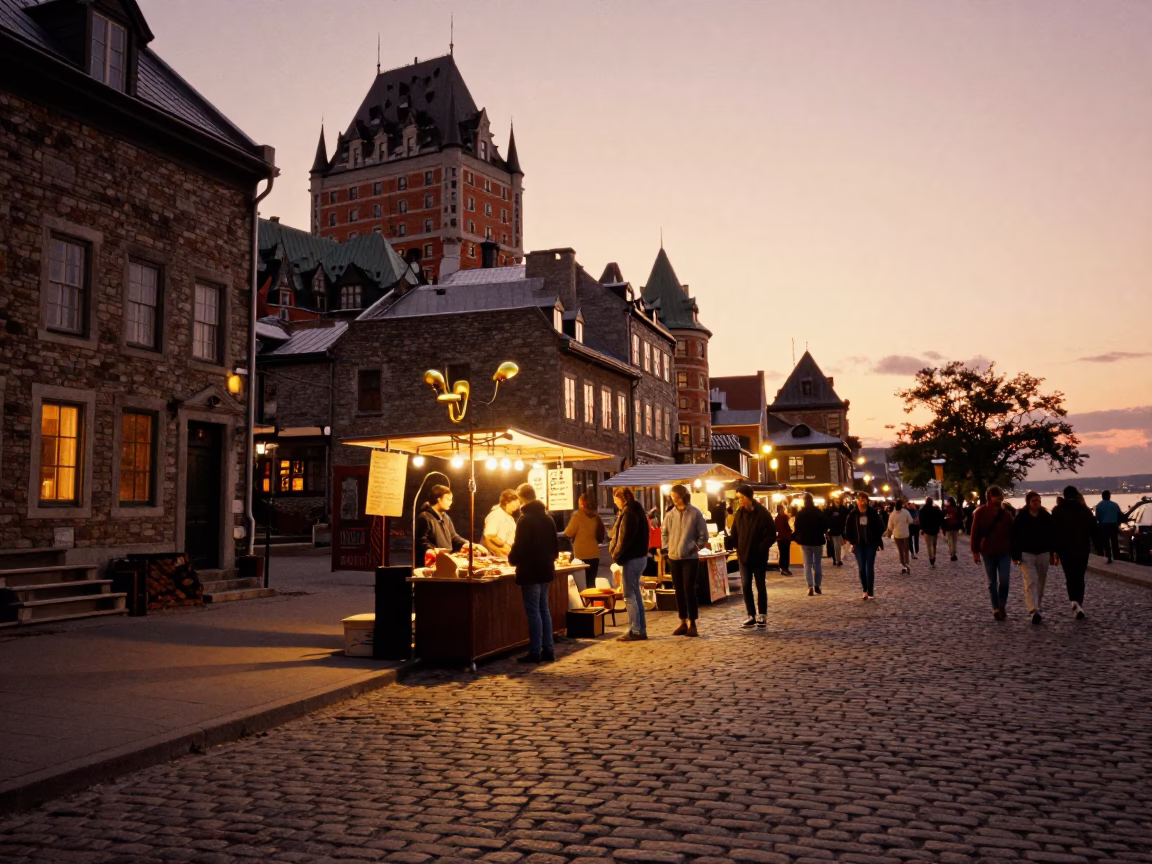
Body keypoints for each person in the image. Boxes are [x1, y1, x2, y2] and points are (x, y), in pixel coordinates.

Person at [507, 484, 558, 664]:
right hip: (545, 569)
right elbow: (555, 547)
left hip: (530, 571)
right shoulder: (548, 518)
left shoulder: (525, 519)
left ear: (521, 498)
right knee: (544, 609)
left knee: (534, 612)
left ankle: (535, 651)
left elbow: (519, 547)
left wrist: (512, 559)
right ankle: (548, 649)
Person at [661, 484, 709, 637]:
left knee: (689, 589)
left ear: (682, 495)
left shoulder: (695, 513)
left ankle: (693, 623)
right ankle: (683, 621)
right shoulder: (670, 514)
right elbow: (665, 533)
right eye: (672, 495)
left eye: (675, 495)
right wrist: (667, 548)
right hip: (674, 558)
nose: (673, 498)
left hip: (690, 558)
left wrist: (695, 547)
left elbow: (703, 534)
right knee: (679, 591)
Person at [726, 485, 776, 628]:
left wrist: (761, 548)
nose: (740, 500)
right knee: (746, 585)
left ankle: (762, 615)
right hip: (743, 556)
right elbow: (734, 532)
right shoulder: (739, 514)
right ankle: (750, 615)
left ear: (748, 497)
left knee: (760, 585)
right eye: (738, 498)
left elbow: (771, 534)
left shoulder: (762, 513)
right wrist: (735, 546)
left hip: (759, 557)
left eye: (741, 498)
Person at [610, 487, 650, 641]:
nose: (616, 504)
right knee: (635, 593)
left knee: (629, 595)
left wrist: (616, 553)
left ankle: (635, 629)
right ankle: (640, 628)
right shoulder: (637, 510)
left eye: (616, 500)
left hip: (632, 558)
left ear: (622, 499)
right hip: (640, 557)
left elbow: (625, 538)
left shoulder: (629, 513)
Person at [1011, 490, 1056, 626]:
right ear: (1028, 503)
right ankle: (1033, 609)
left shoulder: (1046, 516)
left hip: (1043, 553)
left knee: (1041, 581)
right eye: (1034, 501)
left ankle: (1038, 605)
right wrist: (1016, 555)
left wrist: (1053, 554)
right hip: (1026, 553)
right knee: (1031, 580)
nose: (1037, 503)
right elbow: (1015, 537)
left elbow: (1052, 536)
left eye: (1039, 501)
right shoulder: (1021, 517)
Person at [1052, 486, 1098, 620]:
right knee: (1079, 576)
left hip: (1064, 549)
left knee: (1070, 576)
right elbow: (1093, 529)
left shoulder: (1057, 510)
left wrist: (1054, 550)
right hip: (1082, 548)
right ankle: (1079, 603)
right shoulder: (1084, 509)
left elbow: (1054, 531)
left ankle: (1074, 601)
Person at [970, 486, 1014, 620]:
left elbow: (1012, 534)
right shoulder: (981, 513)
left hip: (1005, 551)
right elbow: (975, 532)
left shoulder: (1006, 514)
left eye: (1000, 495)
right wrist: (975, 551)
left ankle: (1002, 605)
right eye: (996, 495)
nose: (999, 498)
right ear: (989, 497)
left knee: (1005, 579)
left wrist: (1015, 550)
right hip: (988, 551)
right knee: (992, 582)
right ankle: (995, 607)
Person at [844, 491, 884, 599]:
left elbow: (881, 527)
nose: (862, 501)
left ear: (867, 500)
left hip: (871, 544)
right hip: (859, 544)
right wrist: (852, 541)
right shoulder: (853, 514)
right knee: (862, 567)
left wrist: (876, 539)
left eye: (864, 499)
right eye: (860, 499)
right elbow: (848, 530)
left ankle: (870, 591)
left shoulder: (873, 513)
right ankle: (865, 589)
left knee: (869, 567)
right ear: (857, 501)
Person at [414, 485, 468, 562]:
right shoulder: (424, 517)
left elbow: (454, 537)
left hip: (446, 560)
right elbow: (421, 541)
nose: (451, 502)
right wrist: (434, 550)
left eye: (451, 499)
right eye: (448, 499)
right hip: (431, 562)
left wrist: (468, 544)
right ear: (438, 499)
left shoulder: (446, 517)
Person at [564, 492, 605, 592]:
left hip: (581, 556)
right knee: (591, 583)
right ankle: (594, 604)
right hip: (595, 555)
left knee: (582, 586)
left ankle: (586, 605)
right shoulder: (596, 516)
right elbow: (601, 535)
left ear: (582, 503)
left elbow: (568, 533)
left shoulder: (577, 516)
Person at [794, 493, 830, 596]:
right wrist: (821, 531)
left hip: (805, 541)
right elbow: (826, 524)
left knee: (807, 564)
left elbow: (797, 527)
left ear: (804, 501)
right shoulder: (819, 512)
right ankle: (817, 585)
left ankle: (810, 585)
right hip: (817, 540)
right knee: (817, 564)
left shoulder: (801, 513)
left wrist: (799, 536)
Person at [482, 489, 520, 558]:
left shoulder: (510, 518)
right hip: (493, 557)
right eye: (514, 501)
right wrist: (499, 548)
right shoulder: (495, 514)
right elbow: (488, 537)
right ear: (506, 502)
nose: (517, 504)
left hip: (506, 556)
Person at [885, 499, 914, 574]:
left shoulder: (892, 514)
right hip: (905, 534)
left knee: (900, 551)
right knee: (906, 550)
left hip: (897, 535)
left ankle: (904, 565)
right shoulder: (905, 512)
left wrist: (889, 533)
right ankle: (907, 564)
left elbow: (890, 527)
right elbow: (910, 521)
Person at [1094, 490, 1122, 564]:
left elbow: (1097, 517)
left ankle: (1108, 557)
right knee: (1114, 541)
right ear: (1109, 496)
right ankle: (1116, 557)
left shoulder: (1099, 506)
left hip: (1104, 525)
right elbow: (1119, 515)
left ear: (1102, 496)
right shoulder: (1115, 505)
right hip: (1113, 525)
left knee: (1106, 543)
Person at [918, 496, 943, 567]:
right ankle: (934, 555)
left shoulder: (922, 510)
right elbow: (940, 518)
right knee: (934, 544)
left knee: (929, 545)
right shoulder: (936, 510)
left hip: (926, 530)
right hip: (935, 529)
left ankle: (931, 557)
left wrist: (922, 528)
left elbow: (921, 520)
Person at [774, 502, 794, 576]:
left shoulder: (776, 518)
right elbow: (787, 526)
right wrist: (791, 531)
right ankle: (785, 568)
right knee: (786, 554)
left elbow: (775, 528)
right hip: (785, 537)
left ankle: (782, 568)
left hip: (780, 538)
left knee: (782, 554)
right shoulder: (785, 517)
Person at [826, 499, 847, 566]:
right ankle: (837, 559)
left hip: (837, 529)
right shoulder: (834, 509)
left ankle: (836, 559)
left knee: (837, 544)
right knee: (837, 545)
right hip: (835, 529)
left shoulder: (841, 508)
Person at [942, 497, 962, 561]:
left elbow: (942, 518)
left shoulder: (945, 509)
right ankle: (954, 552)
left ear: (949, 502)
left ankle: (952, 553)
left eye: (947, 501)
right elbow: (960, 518)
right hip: (955, 527)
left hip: (948, 527)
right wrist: (961, 527)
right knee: (954, 541)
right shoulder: (957, 508)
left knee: (949, 541)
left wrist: (943, 527)